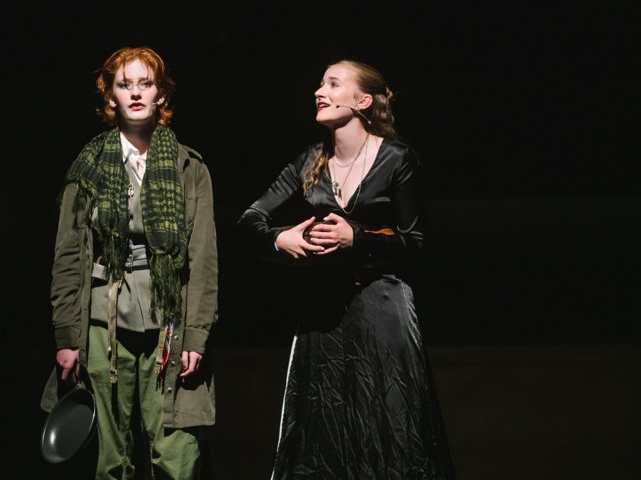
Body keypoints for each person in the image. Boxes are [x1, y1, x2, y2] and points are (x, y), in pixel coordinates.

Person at [237, 60, 455, 479]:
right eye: (320, 83)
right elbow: (250, 219)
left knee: (391, 425)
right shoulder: (309, 161)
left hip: (383, 309)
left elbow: (417, 242)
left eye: (333, 84)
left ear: (363, 101)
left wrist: (358, 238)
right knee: (324, 432)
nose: (320, 91)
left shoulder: (396, 158)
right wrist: (281, 238)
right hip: (323, 314)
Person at [40, 46, 218, 480]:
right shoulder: (89, 166)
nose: (135, 93)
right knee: (108, 451)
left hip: (168, 319)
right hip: (103, 319)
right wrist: (67, 334)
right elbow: (68, 254)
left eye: (146, 83)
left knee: (175, 448)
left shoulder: (188, 166)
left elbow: (203, 257)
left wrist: (196, 334)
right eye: (125, 85)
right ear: (111, 96)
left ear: (161, 94)